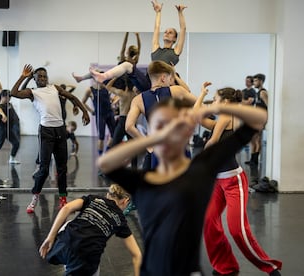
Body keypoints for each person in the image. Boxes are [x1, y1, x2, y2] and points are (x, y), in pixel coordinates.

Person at [97, 97, 269, 275]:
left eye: (174, 126)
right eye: (160, 126)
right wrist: (153, 139)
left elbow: (259, 118)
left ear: (187, 131)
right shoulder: (142, 181)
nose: (168, 134)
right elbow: (105, 163)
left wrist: (213, 108)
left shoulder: (201, 169)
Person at [195, 83, 282, 276]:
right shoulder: (220, 119)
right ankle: (225, 266)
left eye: (216, 99)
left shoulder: (226, 116)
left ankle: (270, 267)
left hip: (234, 182)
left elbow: (212, 142)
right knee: (209, 221)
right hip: (217, 182)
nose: (214, 102)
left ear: (225, 102)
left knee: (237, 230)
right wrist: (201, 95)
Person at [11, 65, 90, 213]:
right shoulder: (32, 92)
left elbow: (72, 97)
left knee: (62, 168)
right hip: (46, 132)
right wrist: (24, 76)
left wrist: (84, 111)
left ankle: (62, 198)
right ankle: (35, 197)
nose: (42, 78)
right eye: (39, 76)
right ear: (34, 79)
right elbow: (14, 93)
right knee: (44, 169)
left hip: (60, 130)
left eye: (44, 76)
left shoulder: (55, 88)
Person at [39, 184, 142, 276]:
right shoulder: (120, 219)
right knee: (92, 266)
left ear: (107, 195)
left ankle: (70, 263)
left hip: (63, 244)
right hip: (86, 256)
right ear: (125, 201)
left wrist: (50, 237)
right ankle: (72, 265)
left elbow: (66, 208)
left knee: (68, 224)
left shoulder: (94, 199)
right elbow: (137, 255)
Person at [125, 60, 196, 170]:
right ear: (163, 77)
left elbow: (129, 127)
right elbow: (199, 106)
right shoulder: (177, 90)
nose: (170, 82)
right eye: (169, 78)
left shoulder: (138, 100)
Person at [0, 70, 21, 164]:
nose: (9, 98)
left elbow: (0, 88)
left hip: (9, 129)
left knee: (16, 143)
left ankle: (12, 159)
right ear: (3, 97)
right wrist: (2, 115)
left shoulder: (7, 102)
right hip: (2, 129)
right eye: (8, 97)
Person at [82, 79, 116, 156]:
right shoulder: (90, 90)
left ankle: (106, 152)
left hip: (109, 114)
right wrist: (91, 111)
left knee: (114, 135)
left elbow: (108, 99)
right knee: (101, 137)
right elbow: (83, 102)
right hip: (100, 115)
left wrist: (113, 104)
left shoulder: (106, 88)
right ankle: (100, 156)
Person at [151, 0, 187, 66]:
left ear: (175, 39)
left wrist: (180, 13)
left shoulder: (176, 51)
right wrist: (158, 12)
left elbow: (183, 29)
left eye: (170, 33)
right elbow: (157, 27)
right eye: (165, 32)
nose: (167, 33)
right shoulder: (155, 48)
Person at [245, 73, 268, 167]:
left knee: (258, 139)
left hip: (261, 119)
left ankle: (255, 161)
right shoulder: (257, 93)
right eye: (253, 81)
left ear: (261, 81)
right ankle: (252, 159)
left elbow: (269, 106)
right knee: (253, 138)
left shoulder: (263, 92)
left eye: (255, 81)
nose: (254, 83)